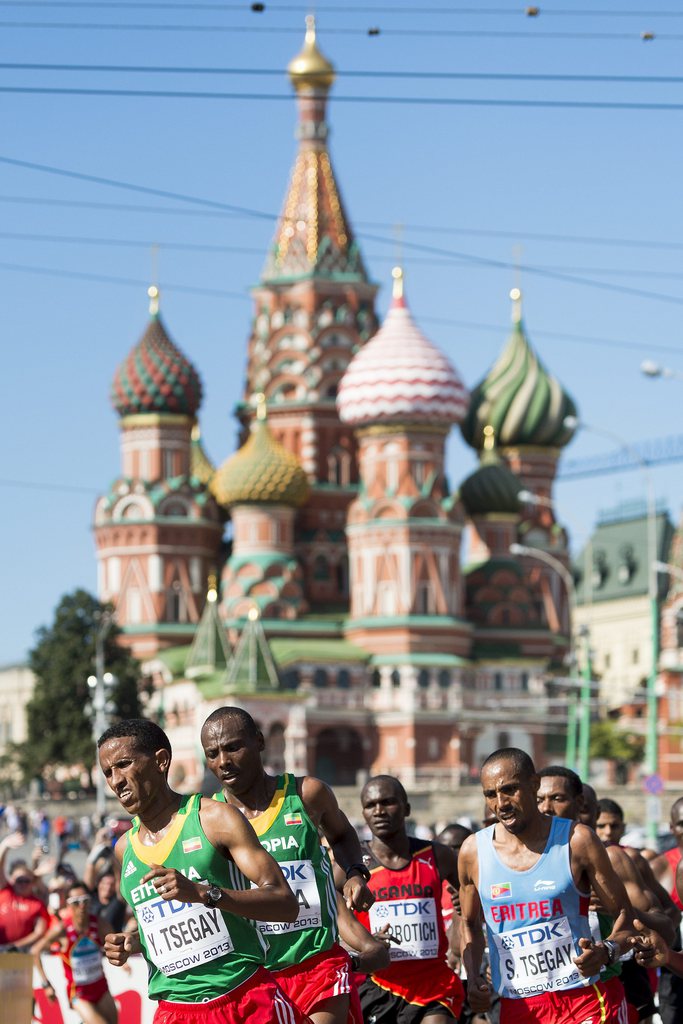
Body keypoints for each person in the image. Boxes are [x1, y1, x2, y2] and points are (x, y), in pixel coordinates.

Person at [97, 717, 309, 1024]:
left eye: (124, 764)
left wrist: (204, 893)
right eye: (107, 772)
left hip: (242, 998)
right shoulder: (123, 850)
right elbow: (165, 928)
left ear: (160, 761)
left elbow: (286, 904)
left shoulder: (215, 818)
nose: (116, 780)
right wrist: (133, 942)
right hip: (175, 1010)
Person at [200, 705, 376, 1024]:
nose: (223, 761)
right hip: (253, 976)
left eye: (233, 747)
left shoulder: (306, 793)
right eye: (212, 753)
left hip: (316, 963)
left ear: (260, 741)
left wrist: (354, 873)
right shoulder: (210, 819)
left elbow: (342, 835)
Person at [459, 748, 636, 1023]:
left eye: (510, 790)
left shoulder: (578, 840)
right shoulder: (473, 852)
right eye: (490, 794)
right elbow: (469, 924)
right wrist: (473, 978)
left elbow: (625, 915)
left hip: (582, 1000)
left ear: (534, 784)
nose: (501, 803)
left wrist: (607, 951)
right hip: (519, 1007)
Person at [537, 766, 672, 1023]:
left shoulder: (614, 858)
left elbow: (666, 928)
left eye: (557, 799)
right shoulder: (527, 861)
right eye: (539, 800)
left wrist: (620, 911)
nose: (546, 808)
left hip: (614, 987)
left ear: (583, 808)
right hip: (545, 997)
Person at [350, 774, 464, 1024]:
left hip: (434, 985)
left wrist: (461, 913)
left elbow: (471, 898)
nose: (379, 811)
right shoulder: (353, 863)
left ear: (407, 808)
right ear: (363, 813)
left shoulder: (439, 855)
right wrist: (362, 942)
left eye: (387, 802)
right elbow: (328, 913)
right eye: (370, 805)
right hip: (381, 986)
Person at [33, 879, 118, 1024]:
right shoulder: (62, 929)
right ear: (68, 905)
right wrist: (46, 984)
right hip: (78, 993)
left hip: (100, 987)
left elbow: (116, 941)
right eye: (76, 902)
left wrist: (122, 959)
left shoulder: (99, 924)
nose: (82, 906)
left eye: (85, 900)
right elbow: (35, 951)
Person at [0, 831, 49, 948]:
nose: (22, 884)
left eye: (26, 881)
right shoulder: (6, 891)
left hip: (22, 952)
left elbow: (39, 931)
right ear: (12, 881)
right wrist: (4, 846)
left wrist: (15, 946)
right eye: (19, 880)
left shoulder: (37, 903)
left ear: (32, 883)